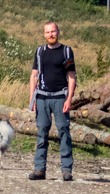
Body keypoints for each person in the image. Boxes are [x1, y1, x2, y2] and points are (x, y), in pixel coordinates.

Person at [27, 21, 76, 181]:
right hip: (42, 97)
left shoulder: (67, 51)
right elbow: (34, 75)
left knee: (64, 132)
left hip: (60, 97)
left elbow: (71, 77)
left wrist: (69, 99)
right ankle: (40, 169)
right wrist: (32, 99)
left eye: (53, 31)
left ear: (58, 32)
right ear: (44, 34)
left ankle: (66, 170)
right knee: (41, 133)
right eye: (47, 32)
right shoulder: (40, 51)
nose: (51, 34)